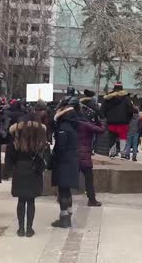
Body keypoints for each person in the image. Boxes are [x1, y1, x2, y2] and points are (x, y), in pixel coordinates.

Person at [6, 113, 48, 237]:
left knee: (21, 200)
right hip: (34, 170)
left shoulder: (16, 135)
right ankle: (29, 229)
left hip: (20, 169)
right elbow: (45, 153)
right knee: (31, 201)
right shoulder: (40, 135)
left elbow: (10, 154)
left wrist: (9, 169)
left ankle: (20, 229)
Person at [51, 97, 80, 228]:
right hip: (71, 161)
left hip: (64, 162)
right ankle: (68, 215)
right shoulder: (71, 124)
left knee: (63, 190)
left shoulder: (63, 126)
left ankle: (64, 218)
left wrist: (54, 158)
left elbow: (60, 147)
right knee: (66, 190)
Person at [76, 107, 105, 206]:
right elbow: (101, 130)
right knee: (89, 179)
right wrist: (97, 121)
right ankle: (91, 199)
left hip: (74, 154)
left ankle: (61, 197)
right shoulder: (86, 124)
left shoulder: (73, 123)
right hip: (84, 156)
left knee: (69, 177)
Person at [100, 82, 134, 158]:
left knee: (112, 137)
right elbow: (131, 110)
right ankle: (122, 152)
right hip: (123, 122)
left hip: (111, 122)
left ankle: (112, 152)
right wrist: (128, 119)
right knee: (123, 136)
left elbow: (102, 110)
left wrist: (106, 117)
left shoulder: (108, 98)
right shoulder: (126, 98)